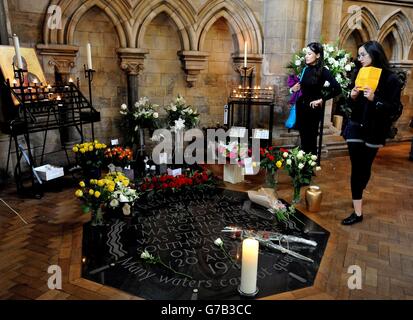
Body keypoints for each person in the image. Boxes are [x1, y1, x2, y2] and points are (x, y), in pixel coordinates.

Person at [341, 41, 403, 225]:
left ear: (374, 55)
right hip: (355, 126)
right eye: (358, 55)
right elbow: (351, 106)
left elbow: (394, 109)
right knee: (357, 167)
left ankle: (357, 192)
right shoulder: (358, 73)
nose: (359, 59)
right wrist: (351, 97)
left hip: (375, 130)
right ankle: (358, 212)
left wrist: (375, 99)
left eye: (362, 55)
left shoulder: (391, 79)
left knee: (365, 168)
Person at [290, 42, 342, 155]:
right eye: (306, 54)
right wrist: (293, 89)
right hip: (302, 107)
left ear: (318, 55)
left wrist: (322, 99)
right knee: (303, 139)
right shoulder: (305, 70)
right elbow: (301, 87)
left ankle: (309, 168)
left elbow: (337, 89)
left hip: (313, 109)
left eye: (309, 53)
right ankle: (303, 168)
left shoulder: (324, 71)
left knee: (311, 139)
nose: (306, 56)